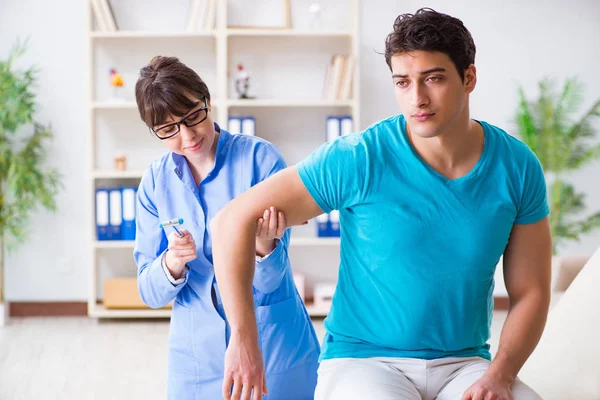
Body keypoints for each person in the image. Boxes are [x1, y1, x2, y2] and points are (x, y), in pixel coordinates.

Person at [210, 8, 551, 400]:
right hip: (364, 363)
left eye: (433, 79)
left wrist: (501, 375)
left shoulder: (517, 166)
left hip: (464, 363)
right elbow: (230, 221)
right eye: (403, 82)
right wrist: (243, 340)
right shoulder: (359, 157)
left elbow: (531, 292)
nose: (417, 98)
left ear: (468, 78)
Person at [133, 56, 320, 400]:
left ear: (206, 100)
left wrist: (264, 246)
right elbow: (150, 293)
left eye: (193, 117)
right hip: (196, 360)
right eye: (169, 130)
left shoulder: (261, 161)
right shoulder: (155, 182)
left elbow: (271, 281)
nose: (187, 136)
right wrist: (171, 263)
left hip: (272, 346)